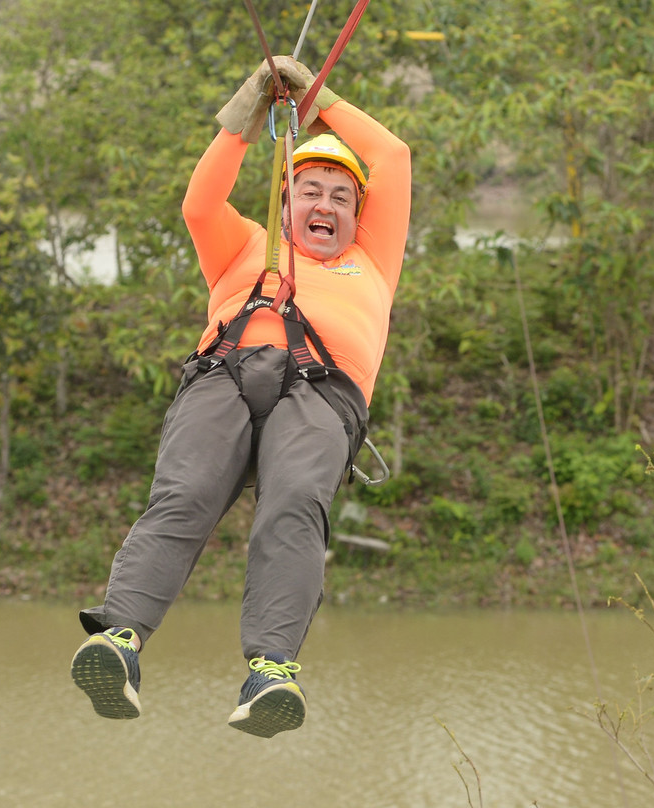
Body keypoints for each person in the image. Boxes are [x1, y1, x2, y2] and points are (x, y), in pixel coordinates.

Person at [70, 56, 411, 738]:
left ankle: (271, 671)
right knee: (185, 493)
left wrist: (318, 97)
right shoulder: (245, 245)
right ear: (284, 201)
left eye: (340, 198)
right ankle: (120, 640)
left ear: (358, 215)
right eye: (309, 191)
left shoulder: (371, 259)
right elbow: (200, 204)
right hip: (222, 375)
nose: (324, 206)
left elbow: (392, 156)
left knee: (294, 505)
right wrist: (246, 115)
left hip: (321, 394)